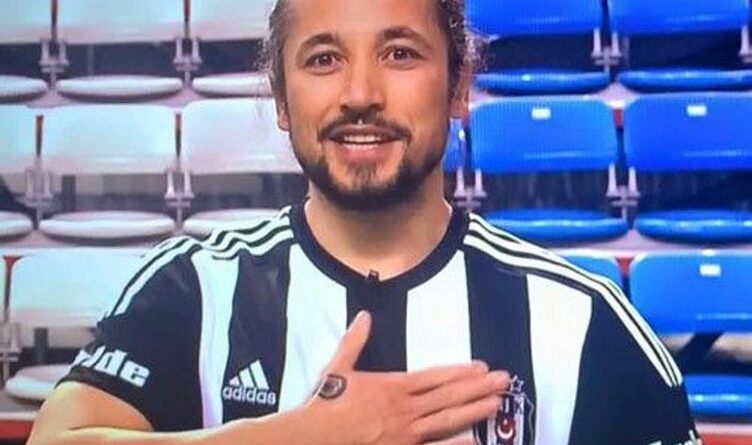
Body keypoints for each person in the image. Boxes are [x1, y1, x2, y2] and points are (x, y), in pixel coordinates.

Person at [28, 0, 699, 444]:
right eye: (323, 59)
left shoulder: (581, 318)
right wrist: (291, 438)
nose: (359, 95)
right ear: (282, 98)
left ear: (459, 85)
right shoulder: (193, 288)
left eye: (400, 53)